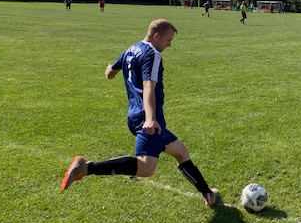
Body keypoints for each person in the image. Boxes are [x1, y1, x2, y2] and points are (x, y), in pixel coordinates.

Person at [61, 19, 218, 206]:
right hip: (149, 120)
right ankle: (86, 168)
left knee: (180, 151)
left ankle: (208, 194)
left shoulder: (131, 49)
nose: (169, 45)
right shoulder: (152, 55)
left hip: (136, 116)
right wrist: (151, 119)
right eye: (168, 40)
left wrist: (110, 71)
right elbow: (148, 86)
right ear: (156, 35)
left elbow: (110, 72)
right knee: (146, 168)